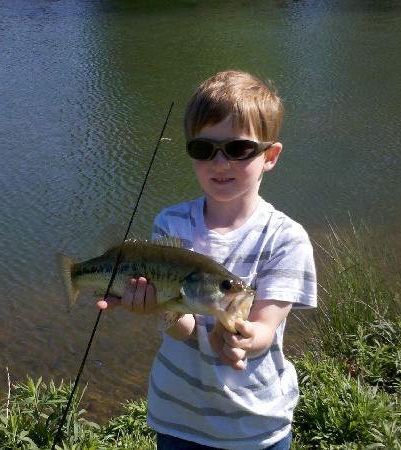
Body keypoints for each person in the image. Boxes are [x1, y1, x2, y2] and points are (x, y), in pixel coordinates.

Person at [97, 70, 317, 450]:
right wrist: (157, 309)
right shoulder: (171, 223)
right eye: (203, 149)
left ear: (270, 155)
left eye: (238, 149)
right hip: (178, 418)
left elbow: (265, 330)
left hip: (256, 426)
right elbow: (183, 328)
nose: (219, 162)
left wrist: (243, 339)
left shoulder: (286, 239)